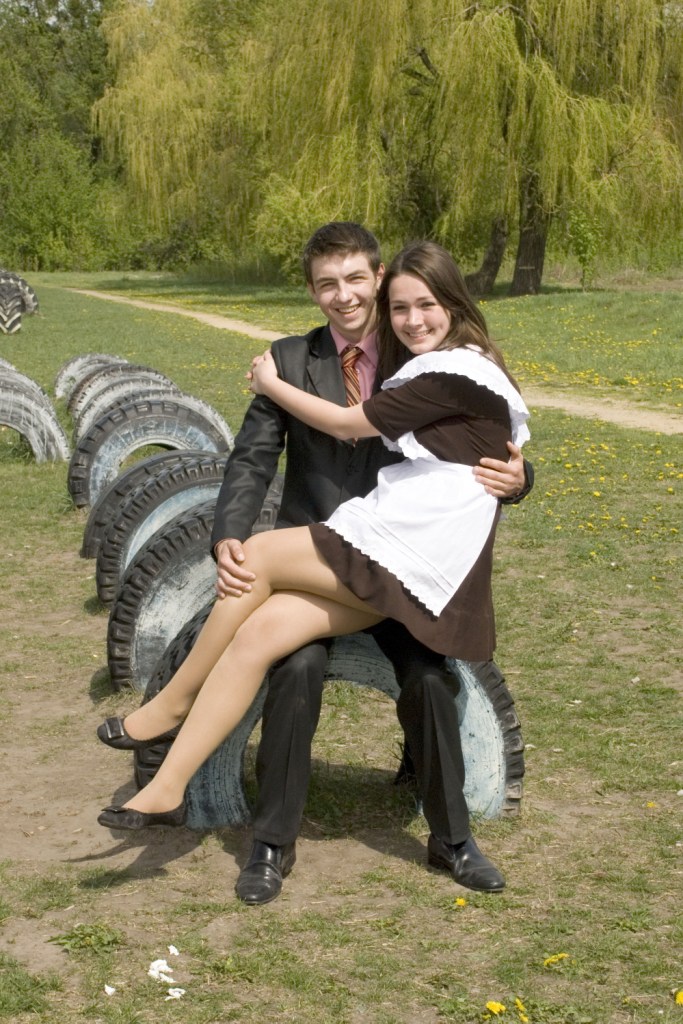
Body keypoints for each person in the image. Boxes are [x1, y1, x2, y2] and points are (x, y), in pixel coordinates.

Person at [97, 228, 531, 901]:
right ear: (311, 290)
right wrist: (227, 535)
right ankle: (250, 832)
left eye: (357, 280)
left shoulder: (423, 352)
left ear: (378, 278)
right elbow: (252, 457)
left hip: (407, 560)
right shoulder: (293, 357)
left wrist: (519, 478)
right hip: (330, 551)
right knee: (277, 650)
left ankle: (454, 840)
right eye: (328, 284)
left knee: (428, 678)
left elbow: (488, 438)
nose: (345, 296)